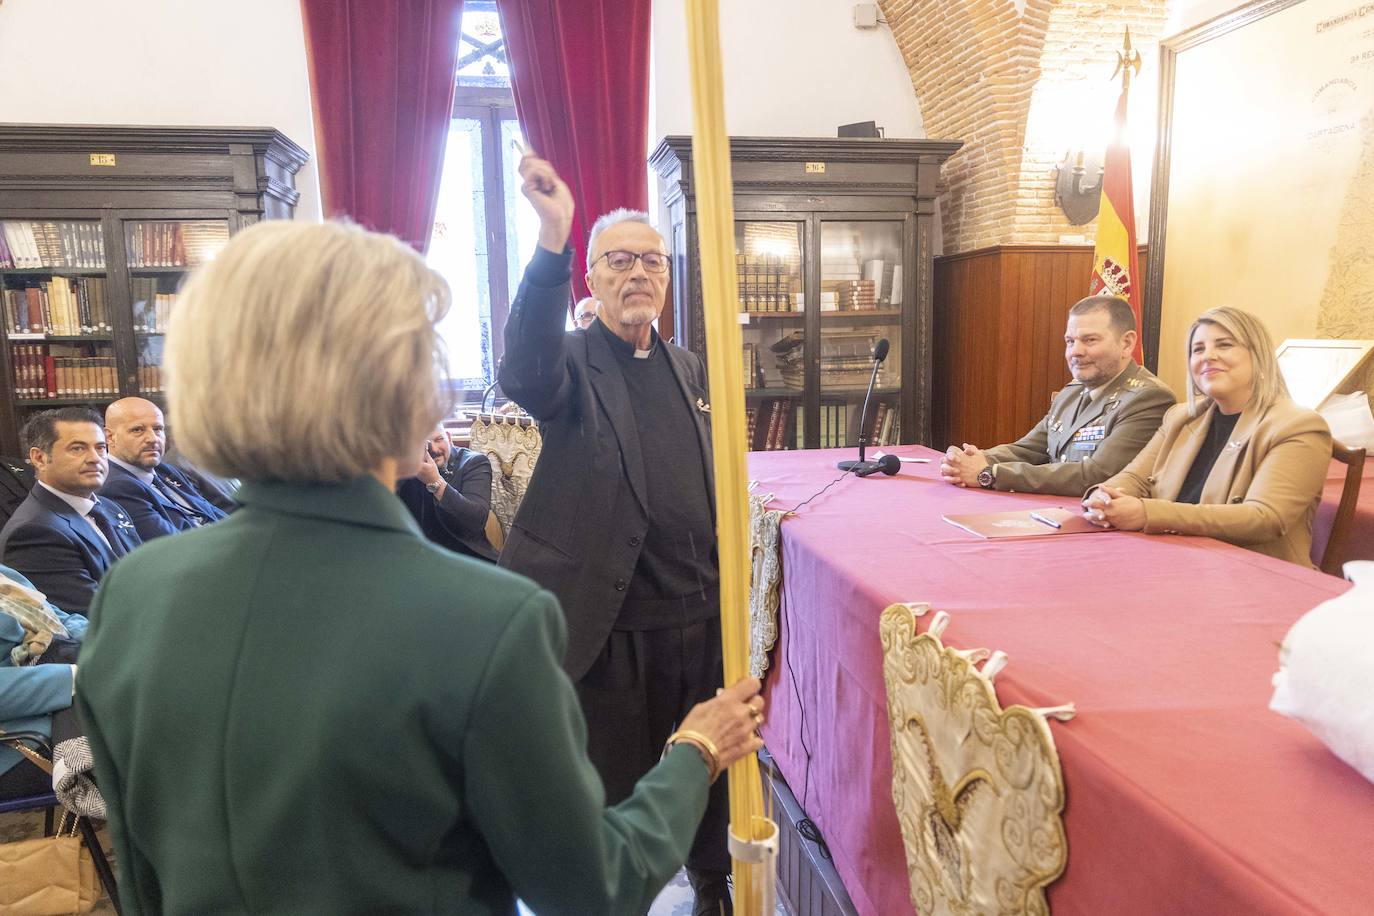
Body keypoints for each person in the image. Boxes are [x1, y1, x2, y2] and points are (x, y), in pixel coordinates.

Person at [75, 219, 765, 915]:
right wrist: (697, 750)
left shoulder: (131, 596)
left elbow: (141, 878)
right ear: (403, 388)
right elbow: (595, 885)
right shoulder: (482, 621)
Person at [497, 155, 734, 914]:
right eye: (620, 260)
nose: (639, 273)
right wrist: (552, 238)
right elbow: (523, 369)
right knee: (616, 793)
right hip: (611, 629)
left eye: (653, 260)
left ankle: (710, 885)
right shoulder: (567, 362)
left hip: (697, 621)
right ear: (592, 278)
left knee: (708, 772)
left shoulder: (690, 366)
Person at [1083, 306, 1331, 568]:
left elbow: (1265, 518)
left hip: (1254, 575)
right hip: (1176, 561)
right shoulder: (1180, 417)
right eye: (1198, 349)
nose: (1208, 356)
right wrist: (1104, 497)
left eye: (1224, 345)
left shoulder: (1298, 425)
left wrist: (1148, 513)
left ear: (1259, 356)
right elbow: (1134, 478)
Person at [940, 295, 1175, 495]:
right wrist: (973, 459)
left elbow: (1098, 474)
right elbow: (1029, 448)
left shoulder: (1148, 398)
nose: (1076, 352)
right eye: (1070, 341)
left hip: (1106, 530)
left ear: (1127, 343)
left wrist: (991, 473)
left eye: (1090, 340)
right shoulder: (1071, 393)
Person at [0, 408, 141, 614]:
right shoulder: (34, 533)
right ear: (39, 458)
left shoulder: (108, 507)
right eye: (77, 449)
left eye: (100, 448)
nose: (95, 458)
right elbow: (100, 614)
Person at [0, 563, 84, 800]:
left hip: (58, 681)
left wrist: (106, 639)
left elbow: (57, 616)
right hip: (19, 739)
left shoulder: (4, 573)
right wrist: (76, 676)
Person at [99, 397, 228, 540]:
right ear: (109, 437)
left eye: (158, 429)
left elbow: (212, 513)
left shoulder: (166, 471)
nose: (153, 438)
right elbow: (175, 543)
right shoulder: (116, 486)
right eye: (138, 430)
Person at [396, 424, 499, 561]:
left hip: (467, 556)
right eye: (424, 443)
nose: (433, 449)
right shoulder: (410, 466)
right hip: (419, 556)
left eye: (439, 439)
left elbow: (476, 520)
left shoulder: (474, 463)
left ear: (449, 438)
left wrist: (435, 482)